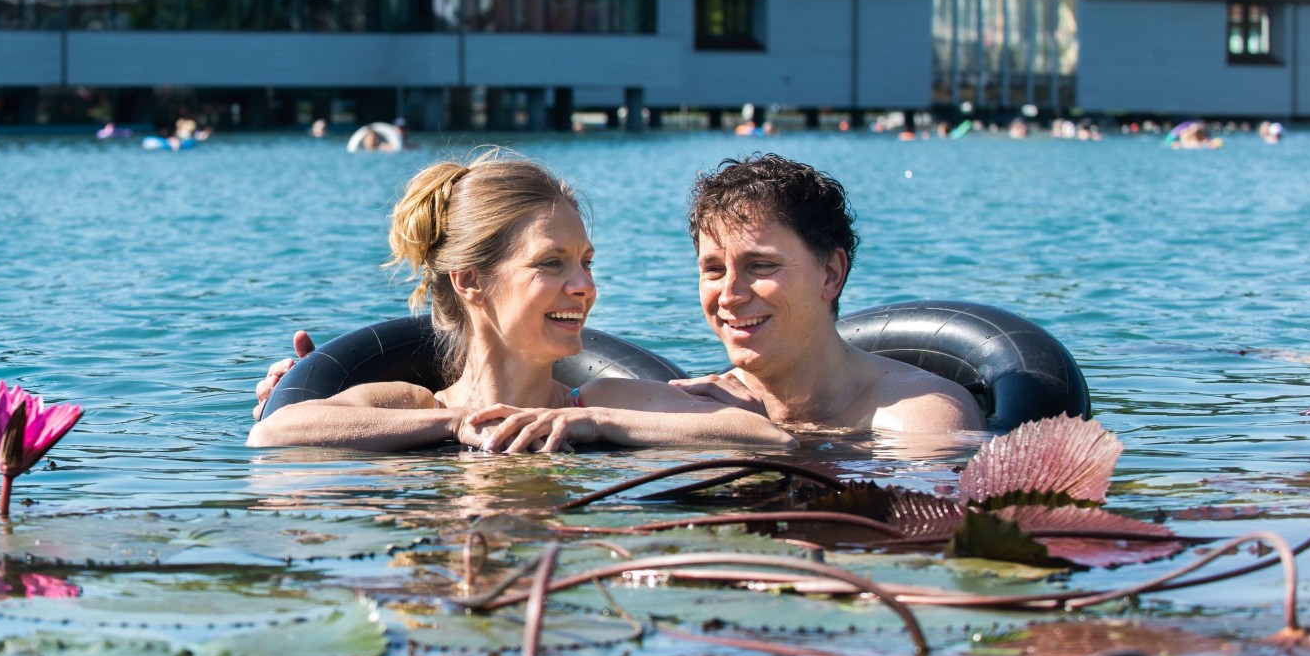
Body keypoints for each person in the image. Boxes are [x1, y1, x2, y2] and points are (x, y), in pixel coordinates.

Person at [254, 153, 981, 440]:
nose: (584, 286)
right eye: (554, 263)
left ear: (831, 273)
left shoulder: (617, 402)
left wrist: (595, 420)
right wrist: (456, 426)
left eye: (586, 262)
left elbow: (765, 440)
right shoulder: (413, 406)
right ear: (469, 281)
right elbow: (276, 436)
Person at [666, 155, 981, 434]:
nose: (728, 297)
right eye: (714, 270)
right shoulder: (696, 408)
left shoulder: (924, 418)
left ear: (830, 274)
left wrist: (760, 447)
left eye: (761, 266)